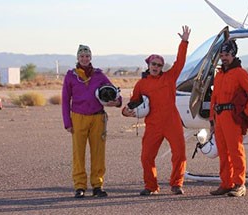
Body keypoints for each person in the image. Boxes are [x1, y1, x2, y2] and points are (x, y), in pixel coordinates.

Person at [122, 25, 191, 196]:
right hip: (152, 124)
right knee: (146, 157)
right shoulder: (141, 84)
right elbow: (133, 104)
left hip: (172, 122)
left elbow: (180, 62)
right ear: (148, 64)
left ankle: (176, 184)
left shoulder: (169, 77)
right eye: (154, 64)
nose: (156, 67)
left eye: (159, 65)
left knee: (180, 154)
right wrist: (126, 111)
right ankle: (151, 186)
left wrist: (184, 42)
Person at [62, 44, 122, 198]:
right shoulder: (71, 76)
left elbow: (114, 91)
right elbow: (65, 100)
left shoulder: (99, 75)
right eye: (82, 56)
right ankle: (80, 186)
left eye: (87, 56)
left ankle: (97, 185)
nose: (84, 59)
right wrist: (67, 123)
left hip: (97, 118)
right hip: (78, 117)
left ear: (91, 57)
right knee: (78, 153)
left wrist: (118, 101)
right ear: (77, 57)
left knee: (98, 153)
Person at [209, 39, 248, 197]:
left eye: (227, 54)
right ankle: (226, 183)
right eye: (222, 55)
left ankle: (239, 184)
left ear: (233, 54)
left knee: (235, 151)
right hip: (219, 118)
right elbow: (214, 97)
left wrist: (246, 113)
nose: (224, 58)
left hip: (232, 117)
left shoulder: (239, 73)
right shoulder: (219, 75)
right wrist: (212, 118)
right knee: (223, 153)